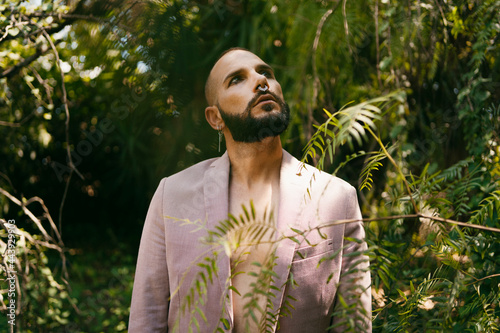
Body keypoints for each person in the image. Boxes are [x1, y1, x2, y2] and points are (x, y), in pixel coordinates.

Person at [128, 48, 371, 332]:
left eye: (265, 73)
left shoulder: (337, 197)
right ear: (215, 118)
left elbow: (353, 323)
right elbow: (148, 316)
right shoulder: (172, 196)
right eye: (236, 79)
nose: (260, 81)